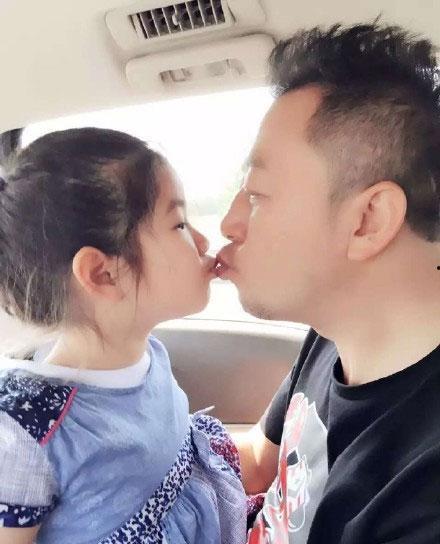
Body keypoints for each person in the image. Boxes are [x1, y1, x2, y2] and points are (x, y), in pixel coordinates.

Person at [217, 21, 440, 544]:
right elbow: (260, 460)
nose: (228, 223)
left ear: (368, 220)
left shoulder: (426, 486)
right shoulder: (332, 334)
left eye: (258, 194)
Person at [0, 128, 247, 543]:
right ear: (104, 273)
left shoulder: (150, 354)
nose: (204, 240)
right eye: (179, 224)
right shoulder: (26, 429)